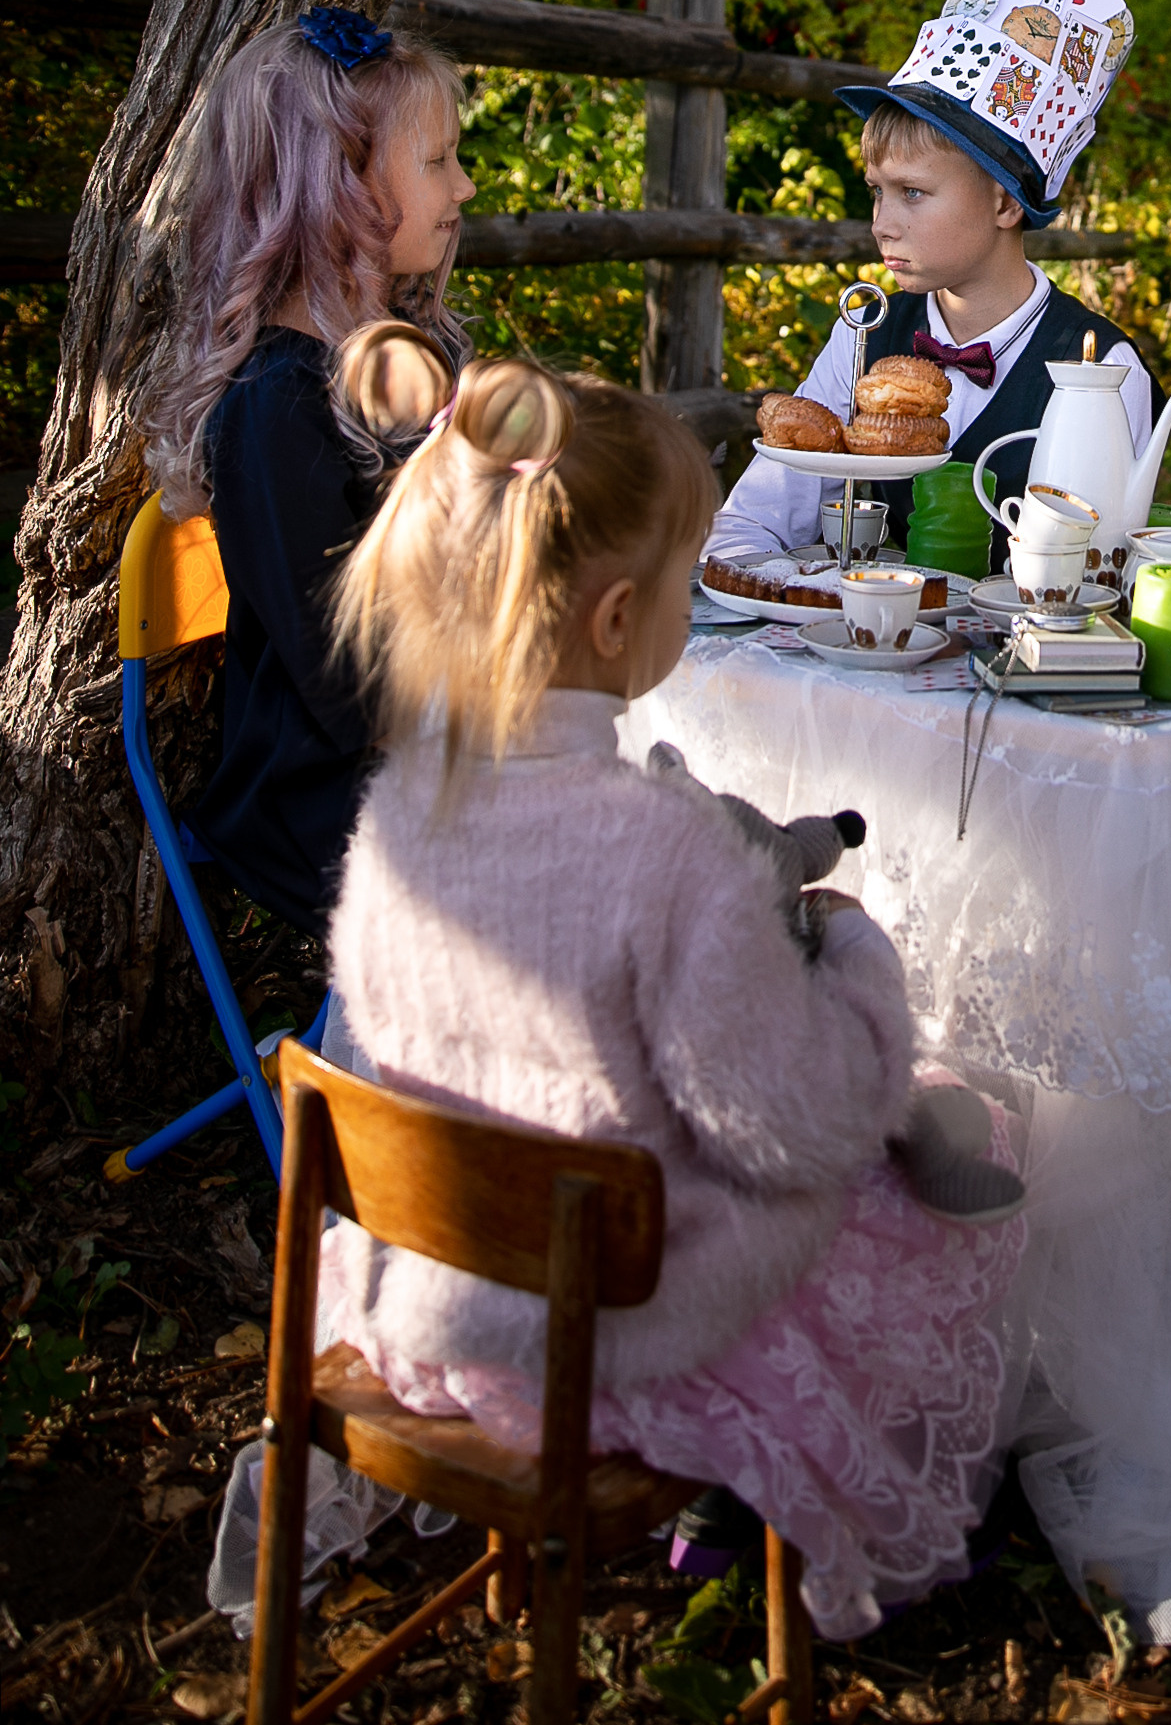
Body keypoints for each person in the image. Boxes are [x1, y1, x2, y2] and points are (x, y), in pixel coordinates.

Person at [318, 356, 1019, 1639]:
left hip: (430, 1297)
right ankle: (797, 1503)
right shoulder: (666, 856)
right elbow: (796, 1123)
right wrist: (857, 961)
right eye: (690, 575)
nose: (695, 602)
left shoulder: (395, 815)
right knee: (949, 1156)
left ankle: (741, 1497)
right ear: (615, 618)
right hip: (614, 1323)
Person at [140, 5, 472, 931]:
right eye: (438, 160)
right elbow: (350, 680)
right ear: (340, 186)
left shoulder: (403, 364)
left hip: (428, 754)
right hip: (327, 801)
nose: (466, 184)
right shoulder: (277, 407)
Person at [713, 0, 1160, 564]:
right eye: (877, 191)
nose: (881, 224)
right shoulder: (867, 334)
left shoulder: (1099, 370)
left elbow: (1098, 576)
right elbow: (756, 519)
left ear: (1006, 203)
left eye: (914, 193)